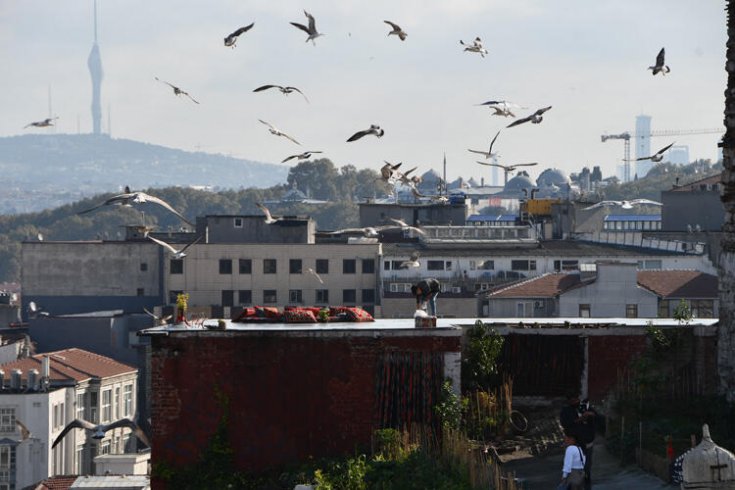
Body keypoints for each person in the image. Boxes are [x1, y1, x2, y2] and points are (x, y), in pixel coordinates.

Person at [560, 393, 597, 490]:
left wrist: (590, 415)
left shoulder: (584, 407)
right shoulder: (566, 411)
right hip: (575, 444)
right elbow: (567, 424)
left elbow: (595, 415)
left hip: (587, 443)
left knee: (587, 469)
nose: (575, 402)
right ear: (569, 401)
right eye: (573, 401)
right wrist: (581, 419)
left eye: (576, 399)